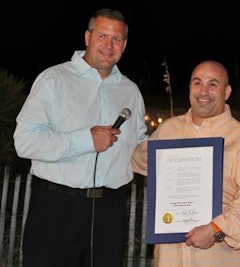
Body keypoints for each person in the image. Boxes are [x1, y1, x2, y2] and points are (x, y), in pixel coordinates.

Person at [13, 8, 148, 267]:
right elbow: (25, 141)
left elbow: (138, 145)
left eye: (116, 39)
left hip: (111, 210)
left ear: (125, 45)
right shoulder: (54, 79)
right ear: (87, 37)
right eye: (102, 36)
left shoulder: (130, 91)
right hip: (57, 209)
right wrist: (86, 140)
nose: (109, 45)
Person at [131, 60, 240, 266]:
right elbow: (139, 161)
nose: (203, 91)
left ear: (227, 91)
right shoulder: (169, 130)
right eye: (197, 83)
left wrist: (216, 229)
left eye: (213, 84)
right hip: (171, 255)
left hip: (221, 255)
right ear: (189, 88)